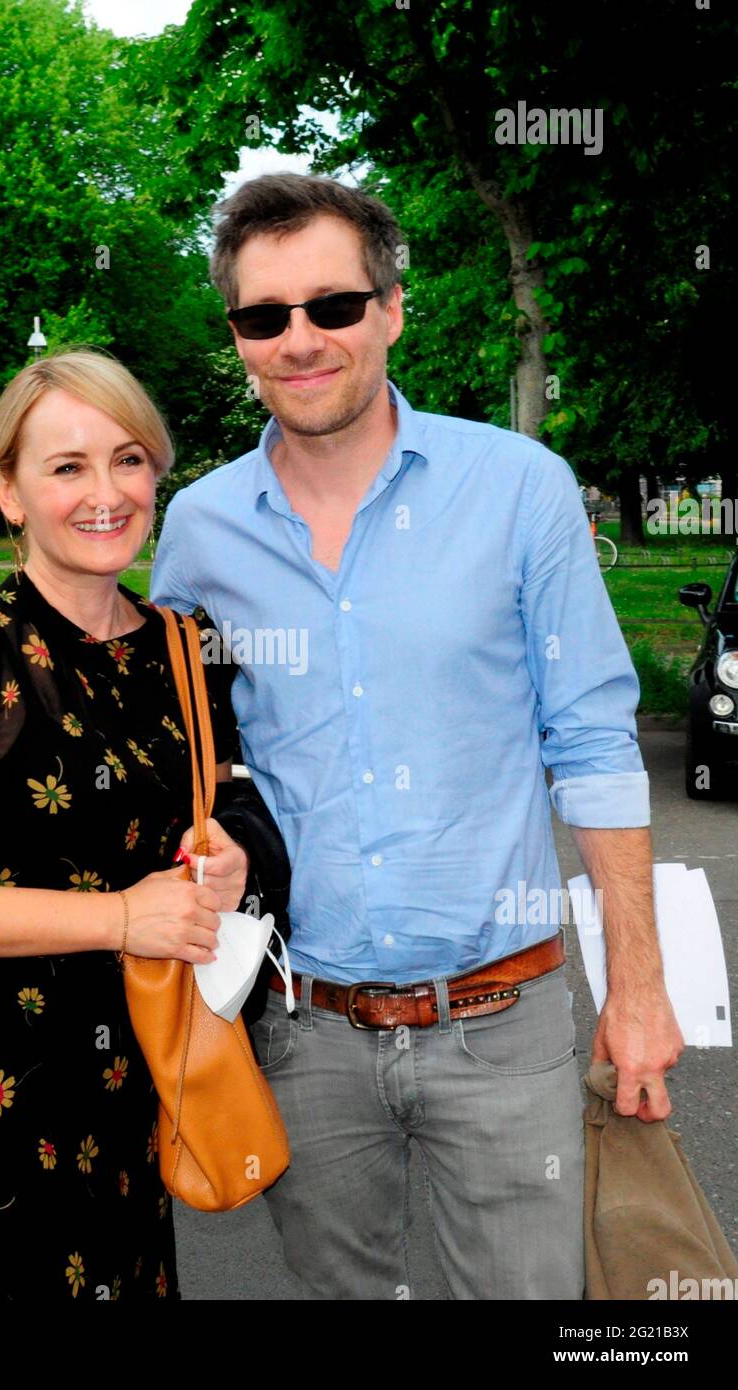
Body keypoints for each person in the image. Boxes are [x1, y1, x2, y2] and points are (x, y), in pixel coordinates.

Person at [150, 173, 685, 1300]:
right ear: (237, 337)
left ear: (390, 309)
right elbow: (193, 759)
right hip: (302, 1038)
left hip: (502, 1027)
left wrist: (636, 989)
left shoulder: (517, 490)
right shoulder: (196, 529)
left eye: (333, 306)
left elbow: (590, 745)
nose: (300, 340)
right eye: (264, 316)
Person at [0, 349, 252, 1300]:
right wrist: (122, 919)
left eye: (128, 459)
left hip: (136, 1086)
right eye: (66, 467)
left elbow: (222, 791)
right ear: (9, 491)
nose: (105, 492)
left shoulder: (184, 646)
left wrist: (229, 848)